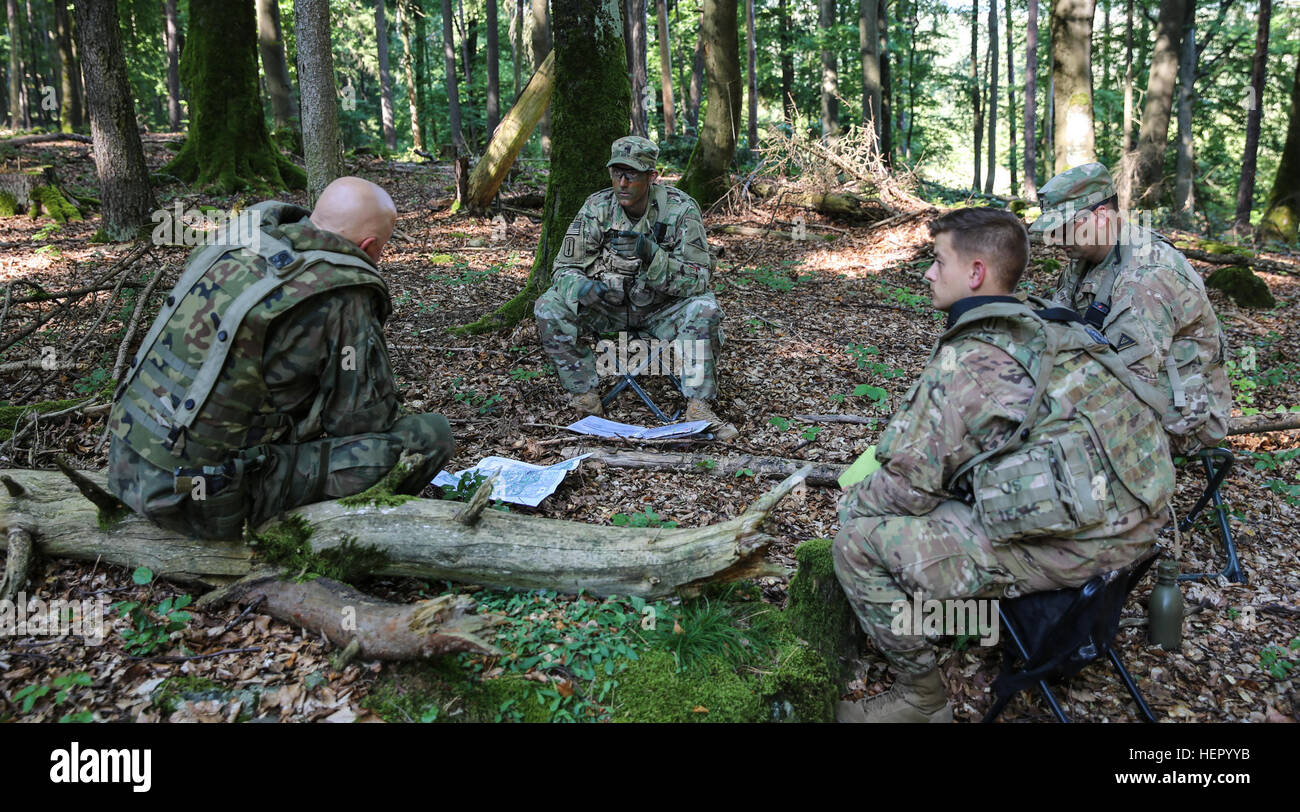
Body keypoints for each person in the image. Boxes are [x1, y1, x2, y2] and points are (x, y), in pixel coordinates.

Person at [833, 208, 1174, 723]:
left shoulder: (971, 358)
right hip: (1138, 535)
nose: (928, 273)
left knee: (856, 544)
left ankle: (921, 699)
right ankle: (950, 620)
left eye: (937, 261)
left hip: (1078, 549)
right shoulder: (1051, 326)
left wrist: (850, 505)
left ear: (975, 273)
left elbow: (907, 487)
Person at [107, 177, 454, 540]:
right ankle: (346, 538)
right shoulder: (341, 293)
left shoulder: (245, 240)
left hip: (126, 464)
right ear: (369, 247)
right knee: (430, 436)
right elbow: (362, 423)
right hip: (201, 502)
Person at [533, 135, 737, 440]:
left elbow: (698, 279)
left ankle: (699, 406)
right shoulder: (596, 208)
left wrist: (651, 255)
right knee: (549, 305)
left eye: (632, 174)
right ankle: (584, 396)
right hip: (609, 307)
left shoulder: (680, 210)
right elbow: (563, 268)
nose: (622, 183)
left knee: (704, 308)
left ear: (651, 177)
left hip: (662, 309)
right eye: (617, 173)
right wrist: (583, 289)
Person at [1029, 162, 1231, 456]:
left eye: (1063, 227)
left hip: (1181, 417)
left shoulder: (1145, 276)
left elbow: (1129, 385)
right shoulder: (1085, 259)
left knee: (1047, 447)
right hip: (1124, 389)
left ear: (1100, 217)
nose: (1054, 239)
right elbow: (1056, 330)